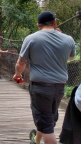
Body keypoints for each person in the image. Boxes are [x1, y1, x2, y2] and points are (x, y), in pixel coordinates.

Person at [13, 10, 76, 144]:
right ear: (54, 22)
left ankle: (40, 140)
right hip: (59, 88)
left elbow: (21, 63)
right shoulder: (68, 39)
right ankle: (36, 141)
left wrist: (18, 74)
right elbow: (70, 58)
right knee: (48, 119)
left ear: (38, 25)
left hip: (40, 88)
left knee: (47, 125)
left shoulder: (31, 38)